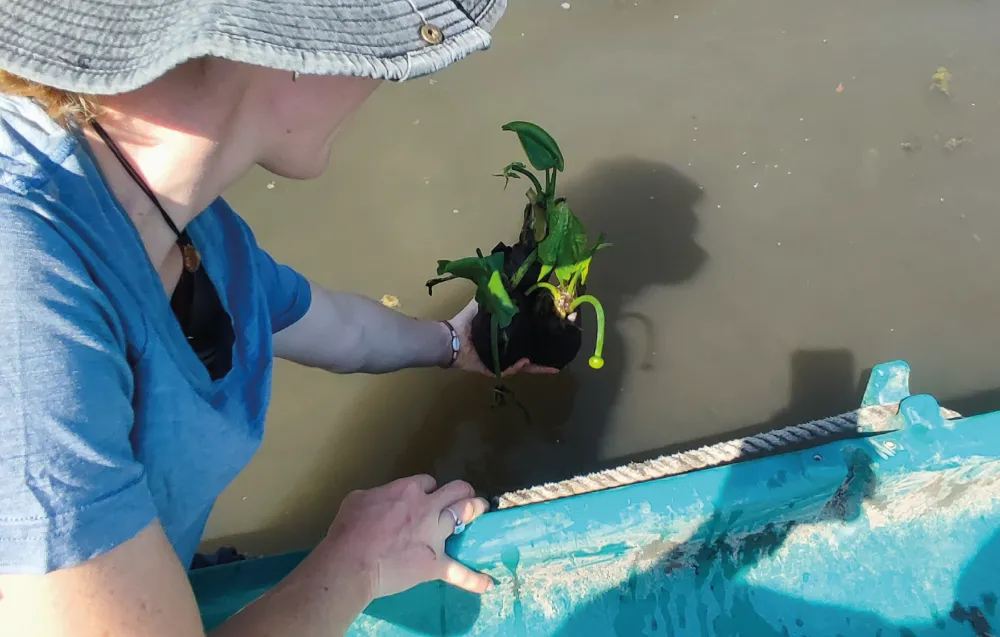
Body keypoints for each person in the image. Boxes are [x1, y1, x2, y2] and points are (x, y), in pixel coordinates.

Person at [0, 1, 557, 635]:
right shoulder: (24, 292)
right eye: (379, 52)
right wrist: (358, 563)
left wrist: (454, 344)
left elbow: (331, 327)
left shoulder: (183, 224)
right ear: (283, 55)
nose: (383, 79)